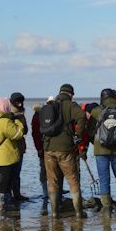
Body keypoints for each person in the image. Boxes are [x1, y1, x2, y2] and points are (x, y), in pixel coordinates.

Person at [39, 83, 88, 219]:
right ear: (71, 94)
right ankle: (78, 213)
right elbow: (82, 117)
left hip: (48, 148)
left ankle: (54, 213)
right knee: (73, 180)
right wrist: (78, 135)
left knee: (52, 181)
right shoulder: (70, 105)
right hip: (65, 149)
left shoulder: (50, 105)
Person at [9, 92, 29, 202]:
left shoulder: (21, 114)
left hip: (20, 148)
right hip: (11, 148)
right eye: (17, 102)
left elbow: (25, 130)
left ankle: (16, 194)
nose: (20, 104)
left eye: (21, 102)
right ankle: (11, 196)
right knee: (11, 173)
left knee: (17, 173)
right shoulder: (8, 114)